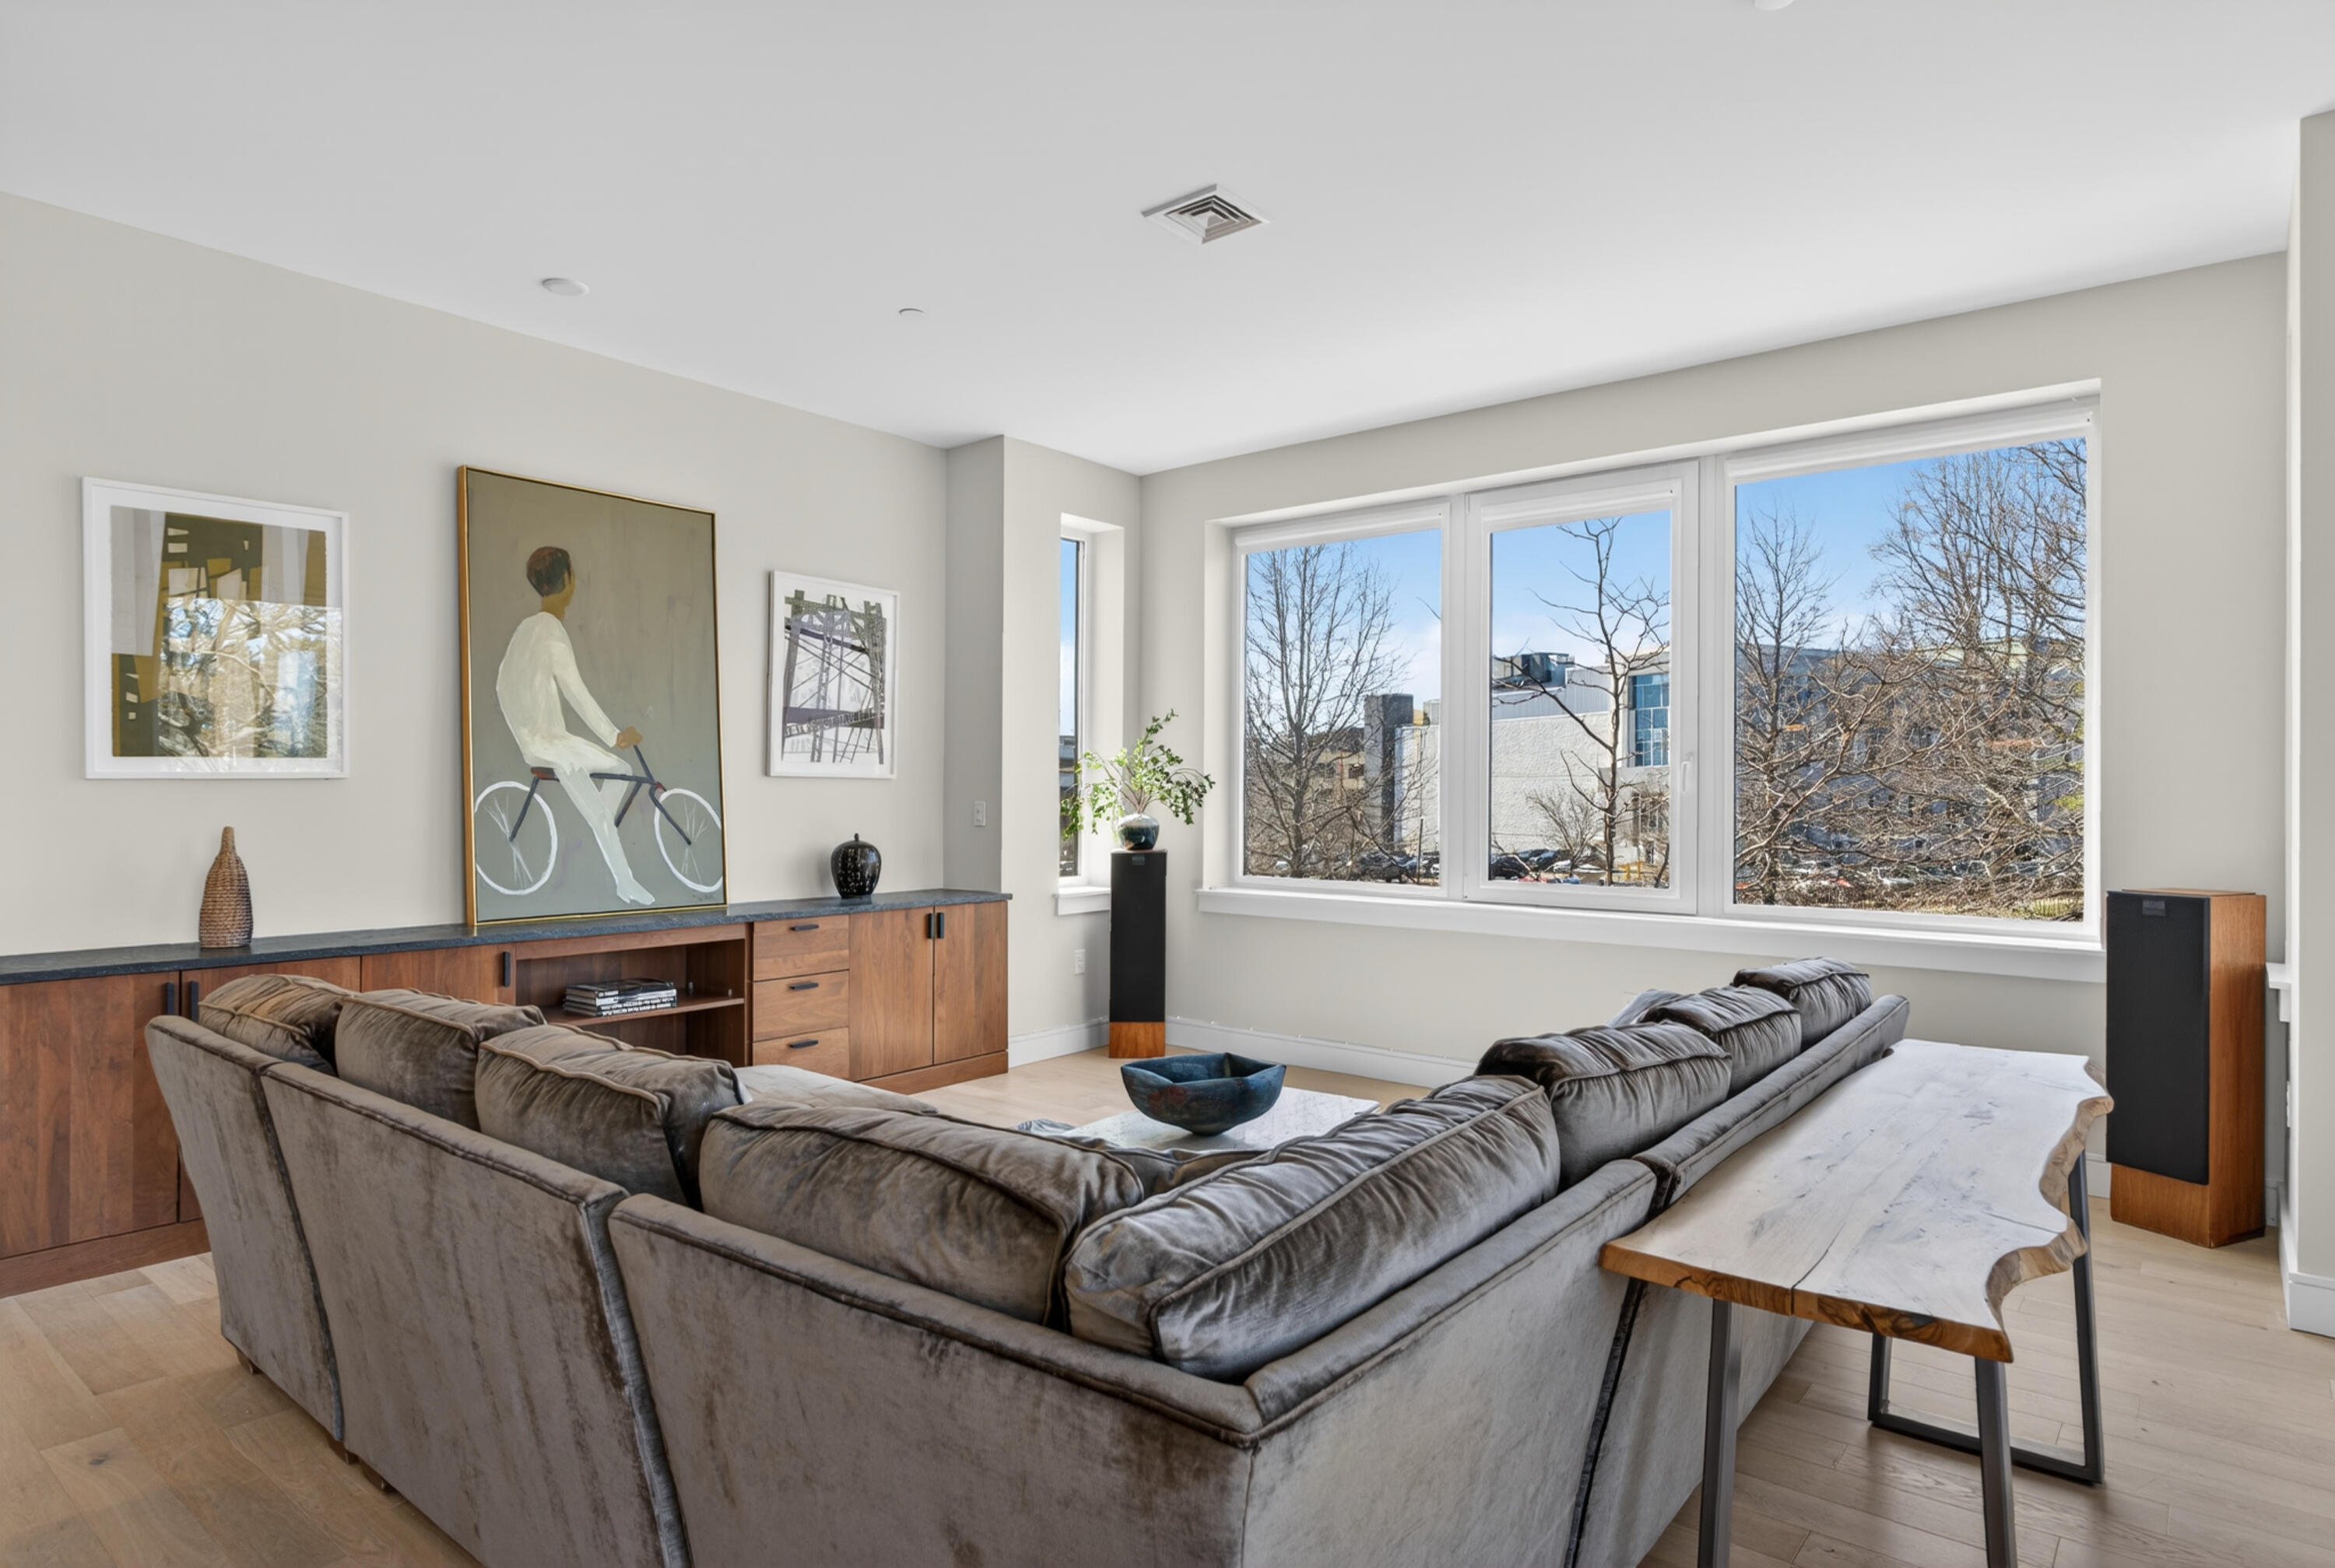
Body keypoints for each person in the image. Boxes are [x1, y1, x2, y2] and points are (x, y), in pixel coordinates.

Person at [494, 545, 655, 905]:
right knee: (602, 800)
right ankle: (624, 880)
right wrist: (614, 735)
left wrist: (520, 725)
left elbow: (502, 683)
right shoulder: (550, 632)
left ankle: (599, 831)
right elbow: (577, 694)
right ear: (567, 580)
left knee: (621, 770)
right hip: (549, 744)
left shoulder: (526, 628)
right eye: (574, 575)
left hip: (545, 738)